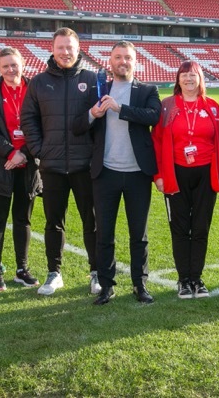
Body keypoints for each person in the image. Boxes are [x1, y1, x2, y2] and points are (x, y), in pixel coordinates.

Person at [74, 41, 161, 305]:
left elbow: (153, 117)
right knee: (105, 232)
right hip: (105, 172)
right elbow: (77, 125)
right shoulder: (97, 89)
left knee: (139, 233)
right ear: (110, 62)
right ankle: (106, 285)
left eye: (128, 58)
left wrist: (118, 108)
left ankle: (139, 284)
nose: (123, 61)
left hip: (137, 173)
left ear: (136, 62)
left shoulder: (147, 89)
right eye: (118, 57)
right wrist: (93, 113)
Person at [20, 27, 98, 296]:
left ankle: (96, 272)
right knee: (54, 222)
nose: (65, 52)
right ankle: (54, 273)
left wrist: (94, 151)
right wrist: (39, 148)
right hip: (52, 166)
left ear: (79, 50)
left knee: (92, 220)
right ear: (52, 49)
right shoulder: (39, 82)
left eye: (70, 47)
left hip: (85, 165)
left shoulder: (92, 79)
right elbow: (28, 118)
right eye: (61, 47)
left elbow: (100, 120)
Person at [152, 61, 219, 299]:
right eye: (184, 75)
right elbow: (155, 141)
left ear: (200, 79)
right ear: (178, 80)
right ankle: (183, 280)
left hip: (206, 172)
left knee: (200, 226)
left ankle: (197, 278)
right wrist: (159, 175)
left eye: (193, 75)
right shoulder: (167, 107)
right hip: (175, 172)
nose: (188, 79)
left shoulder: (213, 108)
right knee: (179, 227)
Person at [0, 48, 42, 291]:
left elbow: (41, 124)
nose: (10, 70)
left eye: (14, 65)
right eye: (5, 66)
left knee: (23, 220)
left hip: (28, 164)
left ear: (22, 65)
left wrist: (23, 152)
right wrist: (10, 152)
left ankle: (22, 269)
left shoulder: (34, 88)